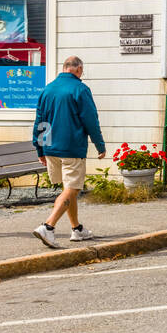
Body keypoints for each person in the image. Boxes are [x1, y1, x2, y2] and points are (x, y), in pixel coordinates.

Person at [31, 55, 105, 248]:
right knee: (73, 188)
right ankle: (48, 226)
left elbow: (40, 120)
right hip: (71, 147)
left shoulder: (47, 90)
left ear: (64, 68)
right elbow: (91, 120)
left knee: (67, 188)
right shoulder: (80, 89)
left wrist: (39, 147)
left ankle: (77, 229)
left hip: (50, 147)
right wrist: (100, 145)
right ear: (78, 69)